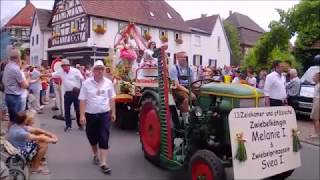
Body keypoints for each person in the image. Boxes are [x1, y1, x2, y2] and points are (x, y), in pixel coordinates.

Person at [79, 60, 116, 174]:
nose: (100, 71)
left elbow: (112, 98)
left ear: (104, 70)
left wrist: (113, 113)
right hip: (90, 115)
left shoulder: (108, 83)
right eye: (97, 69)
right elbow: (82, 100)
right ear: (93, 71)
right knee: (92, 137)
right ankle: (95, 154)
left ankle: (103, 163)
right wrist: (82, 115)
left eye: (101, 69)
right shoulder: (86, 83)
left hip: (104, 114)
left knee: (104, 137)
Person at [52, 59, 84, 132]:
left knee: (78, 110)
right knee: (67, 110)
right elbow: (52, 74)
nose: (63, 67)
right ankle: (68, 125)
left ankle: (80, 125)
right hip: (67, 93)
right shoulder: (61, 71)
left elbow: (82, 79)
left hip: (76, 93)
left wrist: (82, 90)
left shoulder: (75, 71)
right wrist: (41, 75)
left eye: (65, 66)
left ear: (68, 65)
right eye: (62, 66)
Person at [2, 48, 29, 124]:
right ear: (18, 57)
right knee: (17, 121)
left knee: (12, 120)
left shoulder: (7, 66)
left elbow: (4, 81)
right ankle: (14, 134)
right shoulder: (15, 69)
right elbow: (24, 85)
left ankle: (10, 134)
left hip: (8, 95)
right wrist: (28, 79)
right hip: (15, 97)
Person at [169, 51, 195, 120]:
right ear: (177, 58)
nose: (184, 59)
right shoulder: (174, 68)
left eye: (185, 57)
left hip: (188, 87)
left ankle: (197, 115)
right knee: (185, 98)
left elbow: (193, 82)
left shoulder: (190, 68)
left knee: (202, 95)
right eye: (182, 57)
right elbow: (176, 85)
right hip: (177, 89)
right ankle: (185, 121)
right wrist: (189, 92)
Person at [310, 72, 320, 138]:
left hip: (318, 101)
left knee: (315, 118)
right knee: (313, 117)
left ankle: (317, 133)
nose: (313, 77)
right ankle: (316, 132)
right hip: (315, 100)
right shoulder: (317, 85)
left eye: (314, 76)